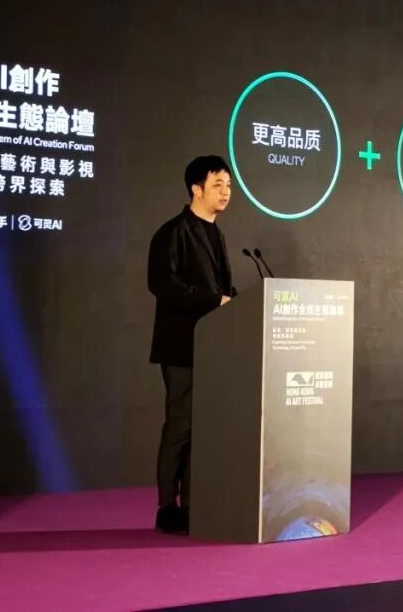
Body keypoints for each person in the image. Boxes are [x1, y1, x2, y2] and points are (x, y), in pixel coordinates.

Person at [147, 155, 235, 534]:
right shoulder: (173, 232)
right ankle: (168, 507)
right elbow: (162, 284)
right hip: (181, 347)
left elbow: (222, 290)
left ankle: (194, 504)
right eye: (217, 185)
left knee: (203, 430)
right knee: (181, 426)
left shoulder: (217, 234)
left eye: (228, 185)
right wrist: (213, 300)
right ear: (196, 189)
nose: (226, 192)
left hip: (213, 349)